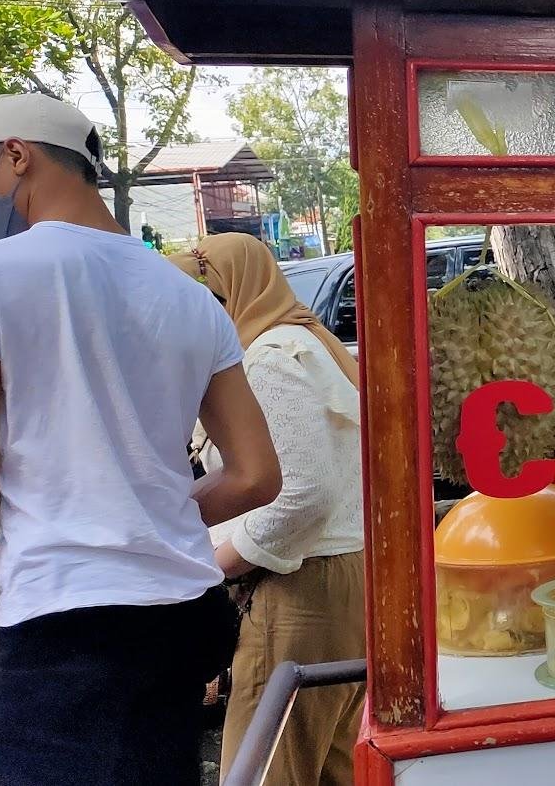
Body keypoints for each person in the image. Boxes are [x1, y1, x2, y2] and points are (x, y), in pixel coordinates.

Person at [0, 94, 282, 786]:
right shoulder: (191, 298)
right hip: (183, 617)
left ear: (16, 154)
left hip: (65, 626)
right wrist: (145, 514)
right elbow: (257, 475)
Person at [170, 234, 365, 786]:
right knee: (332, 768)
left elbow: (304, 494)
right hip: (340, 580)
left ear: (228, 296)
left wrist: (218, 564)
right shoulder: (312, 344)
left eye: (194, 302)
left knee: (263, 771)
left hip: (300, 590)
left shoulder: (269, 360)